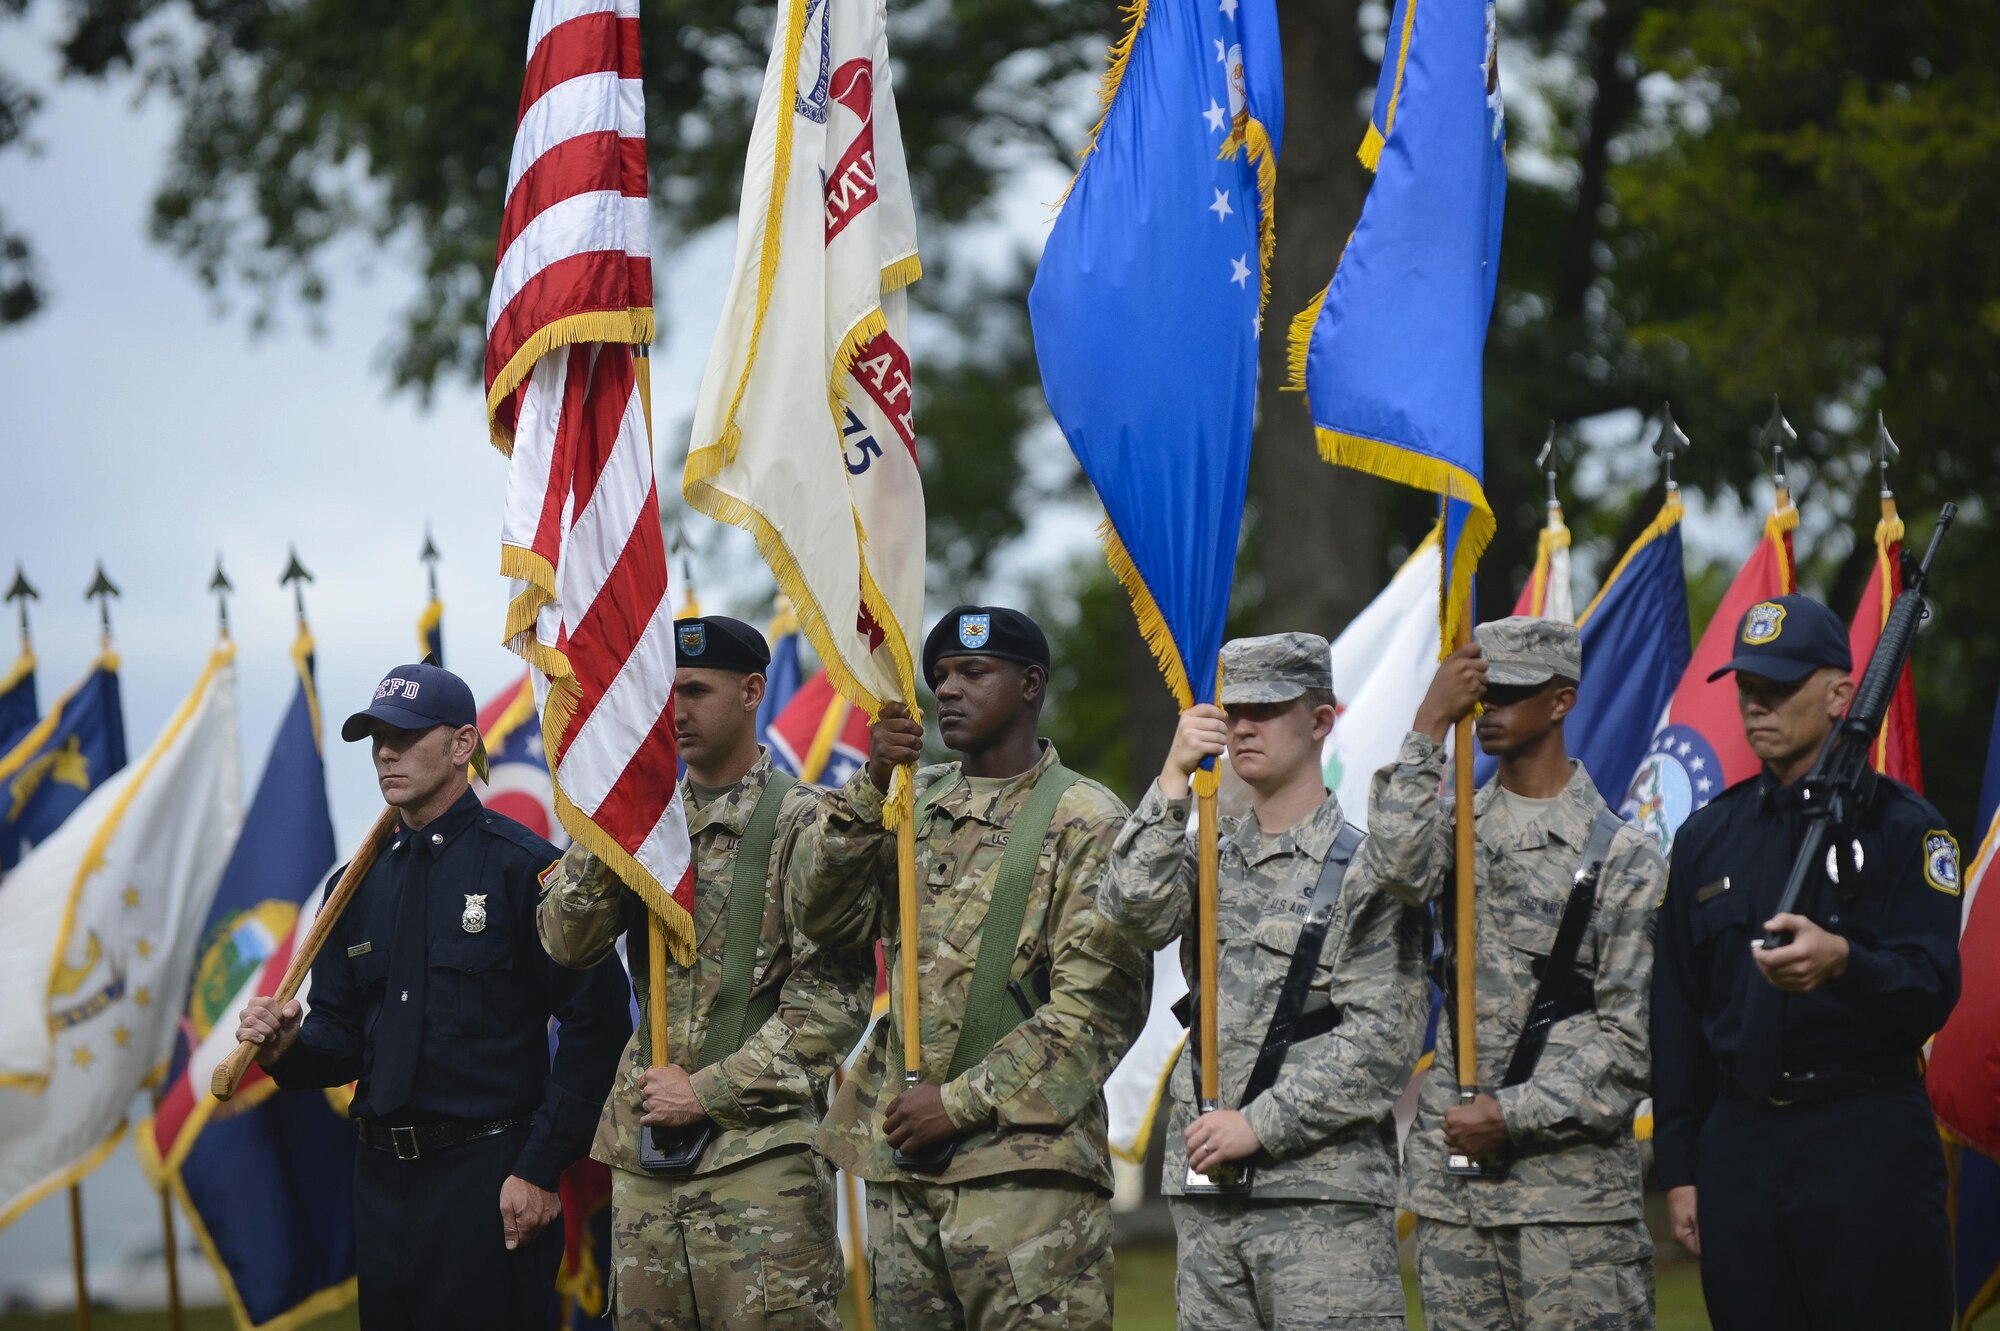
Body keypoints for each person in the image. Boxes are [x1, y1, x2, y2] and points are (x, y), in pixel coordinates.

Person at [235, 661, 631, 1330]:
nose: (386, 751)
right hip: (381, 1185)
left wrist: (540, 1166)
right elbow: (341, 1038)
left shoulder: (524, 867)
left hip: (491, 1178)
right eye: (376, 737)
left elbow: (598, 1021)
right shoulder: (350, 889)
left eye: (407, 734)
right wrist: (288, 1046)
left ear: (462, 744)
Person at [792, 605, 1150, 1330]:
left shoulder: (1085, 818)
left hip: (1023, 1172)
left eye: (973, 673)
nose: (947, 690)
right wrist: (872, 783)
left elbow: (1097, 1011)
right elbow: (821, 916)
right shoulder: (908, 807)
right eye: (941, 676)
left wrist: (954, 1105)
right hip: (902, 1168)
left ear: (1029, 685)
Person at [536, 616, 876, 1328]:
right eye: (665, 694)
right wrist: (615, 822)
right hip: (645, 1156)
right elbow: (566, 941)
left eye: (694, 690)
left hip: (761, 1161)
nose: (676, 711)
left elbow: (834, 1000)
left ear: (752, 691)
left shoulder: (807, 822)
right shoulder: (640, 823)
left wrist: (708, 1091)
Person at [1099, 632, 1429, 1330]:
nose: (1243, 725)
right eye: (1234, 708)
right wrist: (1171, 779)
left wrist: (1258, 1125)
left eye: (1267, 709)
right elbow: (1130, 910)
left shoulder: (1369, 871)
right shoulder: (1207, 856)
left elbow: (1383, 1043)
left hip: (1322, 1201)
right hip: (1211, 1199)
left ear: (1319, 721)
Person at [1652, 594, 1960, 1330]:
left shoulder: (1904, 828)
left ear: (1839, 696)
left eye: (1779, 688)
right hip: (1743, 1144)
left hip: (1865, 1136)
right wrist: (1682, 1165)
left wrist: (1845, 961)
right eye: (1747, 687)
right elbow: (1679, 1011)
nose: (1757, 705)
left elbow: (1933, 986)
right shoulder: (1707, 836)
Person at [1363, 617, 1664, 1331]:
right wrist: (1430, 722)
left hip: (1573, 1207)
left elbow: (1632, 1046)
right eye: (1478, 693)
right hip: (1456, 1201)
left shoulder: (1624, 858)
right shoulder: (1457, 829)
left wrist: (1510, 1114)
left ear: (1560, 701)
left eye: (1506, 692)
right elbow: (1395, 868)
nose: (1486, 708)